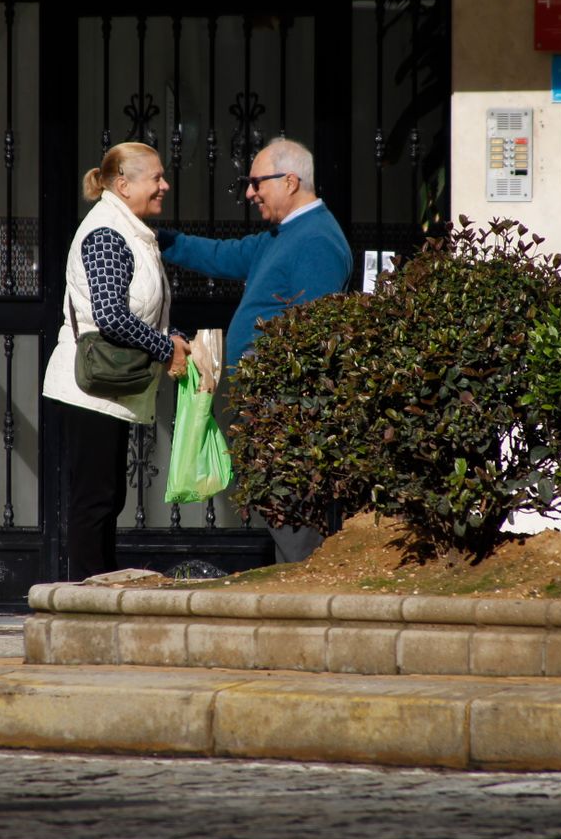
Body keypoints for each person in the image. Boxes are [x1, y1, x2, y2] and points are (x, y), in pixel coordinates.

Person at [156, 137, 352, 563]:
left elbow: (312, 333)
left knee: (290, 509)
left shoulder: (317, 240)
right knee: (278, 504)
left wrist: (269, 388)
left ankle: (303, 599)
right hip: (264, 397)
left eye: (257, 182)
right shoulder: (283, 234)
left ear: (291, 181)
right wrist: (157, 238)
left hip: (283, 404)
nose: (250, 193)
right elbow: (223, 255)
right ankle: (293, 597)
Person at [44, 142, 190, 582]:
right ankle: (91, 595)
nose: (165, 186)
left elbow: (134, 309)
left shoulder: (128, 229)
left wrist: (171, 337)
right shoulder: (107, 232)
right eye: (156, 178)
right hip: (90, 385)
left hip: (109, 384)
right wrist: (167, 350)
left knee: (107, 496)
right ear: (123, 185)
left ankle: (101, 585)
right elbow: (110, 315)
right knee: (95, 497)